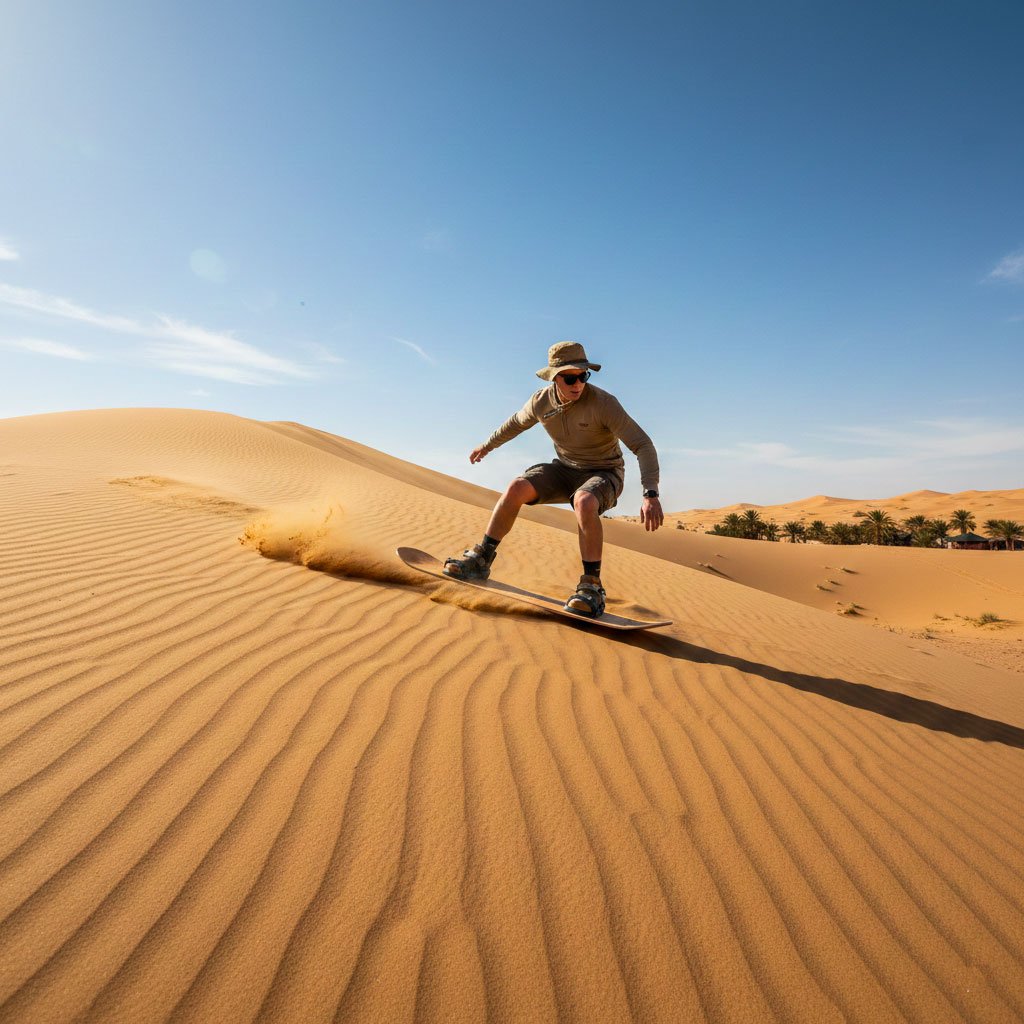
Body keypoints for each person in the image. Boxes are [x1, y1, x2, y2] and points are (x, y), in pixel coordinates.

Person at [443, 340, 663, 617]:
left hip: (604, 472)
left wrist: (650, 493)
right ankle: (481, 558)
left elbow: (642, 444)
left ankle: (592, 587)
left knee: (584, 501)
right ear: (554, 377)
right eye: (570, 377)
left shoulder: (604, 404)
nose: (578, 383)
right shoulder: (541, 402)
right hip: (564, 469)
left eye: (583, 376)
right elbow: (515, 423)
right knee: (516, 487)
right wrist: (487, 445)